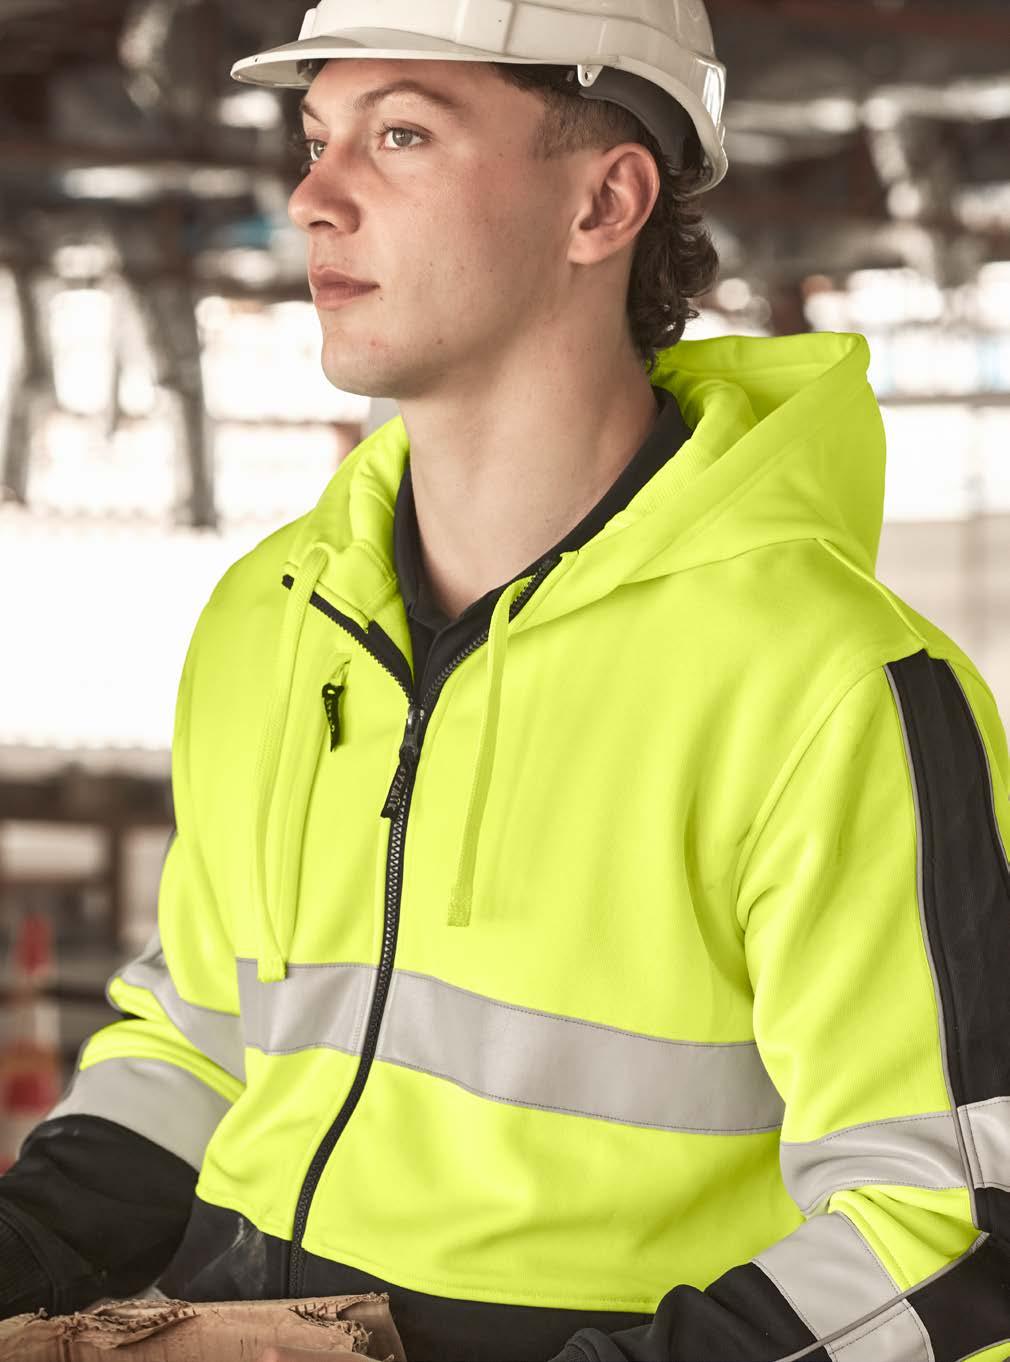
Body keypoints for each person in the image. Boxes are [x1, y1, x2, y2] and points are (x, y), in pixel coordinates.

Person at [3, 3, 1010, 1360]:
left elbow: (949, 1221)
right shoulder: (273, 616)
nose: (312, 196)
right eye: (315, 138)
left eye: (401, 135)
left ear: (602, 203)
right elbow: (200, 1037)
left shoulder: (833, 684)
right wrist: (34, 1244)